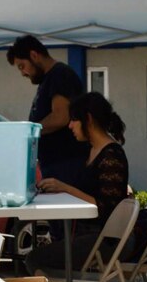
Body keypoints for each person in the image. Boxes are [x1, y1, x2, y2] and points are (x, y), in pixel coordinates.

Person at [26, 92, 131, 276]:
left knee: (35, 259)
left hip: (106, 241)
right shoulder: (91, 151)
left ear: (88, 119)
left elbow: (106, 208)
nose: (70, 125)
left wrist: (65, 188)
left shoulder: (111, 155)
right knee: (44, 254)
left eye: (74, 119)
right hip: (92, 236)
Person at [7, 36, 87, 186]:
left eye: (21, 66)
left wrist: (30, 131)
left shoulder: (60, 74)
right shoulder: (49, 79)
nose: (23, 73)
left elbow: (60, 117)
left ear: (34, 55)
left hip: (66, 164)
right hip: (56, 164)